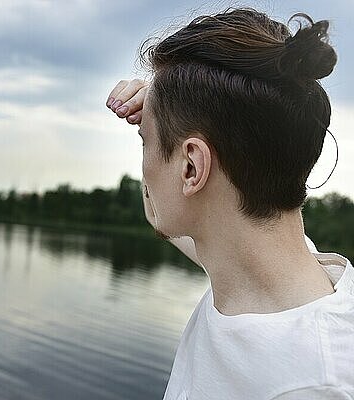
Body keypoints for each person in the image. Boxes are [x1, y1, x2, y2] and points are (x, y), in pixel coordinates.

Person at [106, 7, 354, 400]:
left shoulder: (313, 385)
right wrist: (156, 121)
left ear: (191, 167)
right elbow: (163, 212)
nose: (145, 163)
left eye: (144, 144)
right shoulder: (276, 270)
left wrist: (159, 122)